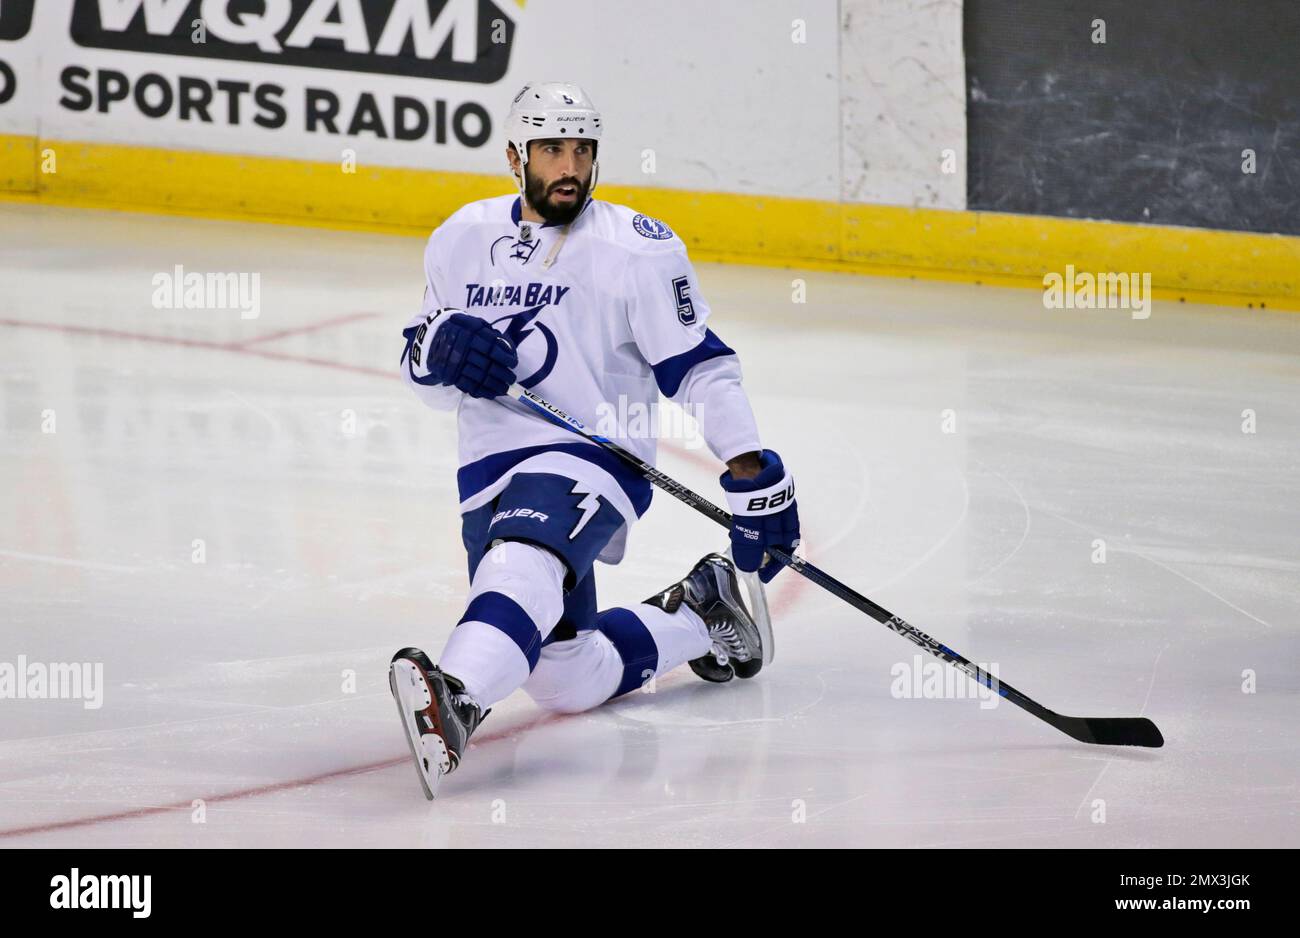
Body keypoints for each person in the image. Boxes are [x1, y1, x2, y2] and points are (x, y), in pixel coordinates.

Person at [389, 82, 800, 799]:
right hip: (487, 466)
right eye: (552, 149)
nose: (570, 165)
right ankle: (703, 615)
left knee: (524, 559)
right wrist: (436, 349)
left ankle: (455, 699)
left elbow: (699, 366)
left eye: (582, 149)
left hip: (596, 455)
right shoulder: (460, 237)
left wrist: (748, 466)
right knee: (565, 678)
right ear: (515, 155)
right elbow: (423, 379)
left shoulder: (637, 248)